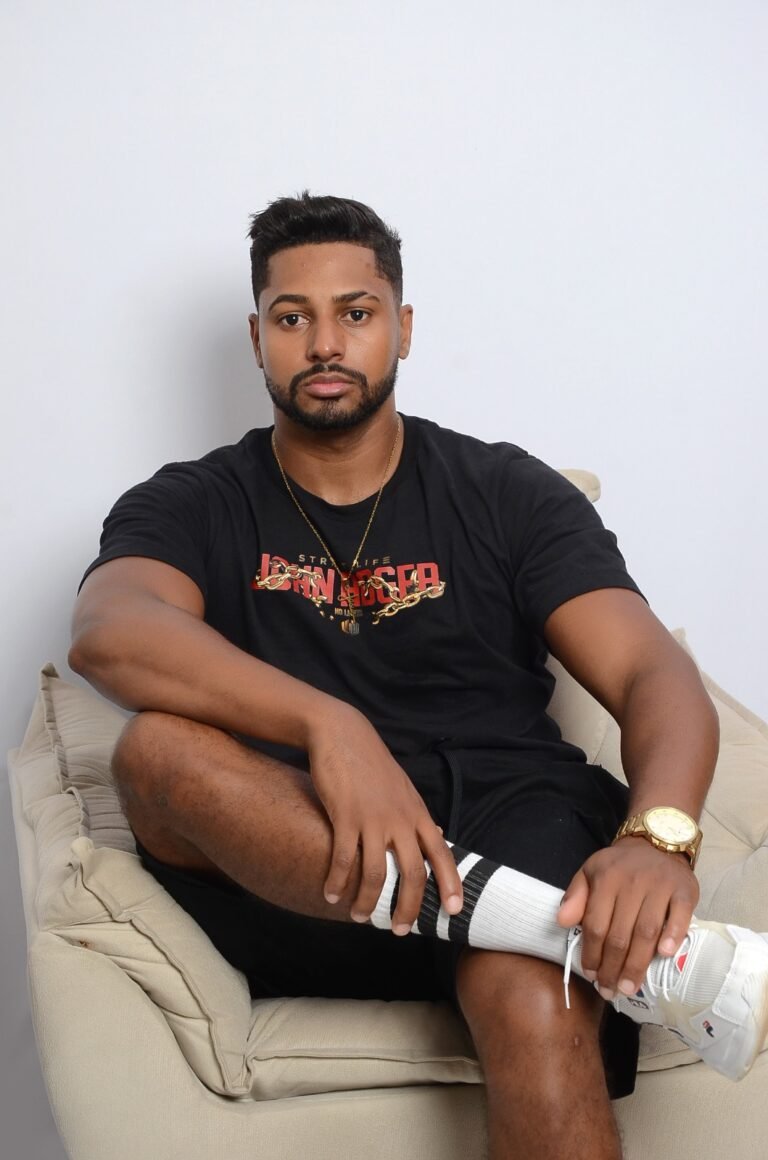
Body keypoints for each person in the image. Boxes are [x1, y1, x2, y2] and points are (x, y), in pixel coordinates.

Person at [69, 193, 768, 1160]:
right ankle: (540, 924)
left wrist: (661, 835)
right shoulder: (193, 500)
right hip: (305, 866)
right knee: (155, 751)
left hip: (509, 815)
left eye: (355, 313)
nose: (324, 342)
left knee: (531, 996)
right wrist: (331, 728)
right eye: (292, 317)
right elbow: (110, 632)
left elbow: (652, 668)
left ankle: (516, 926)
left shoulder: (506, 491)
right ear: (258, 339)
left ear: (401, 328)